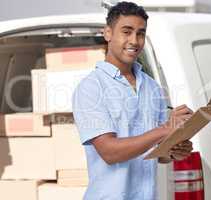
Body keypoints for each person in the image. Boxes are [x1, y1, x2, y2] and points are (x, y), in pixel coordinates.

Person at [72, 1, 193, 200]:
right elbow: (110, 152)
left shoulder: (152, 86)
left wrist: (173, 151)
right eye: (126, 32)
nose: (135, 41)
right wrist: (165, 128)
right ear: (108, 33)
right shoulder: (91, 88)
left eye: (141, 33)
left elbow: (156, 152)